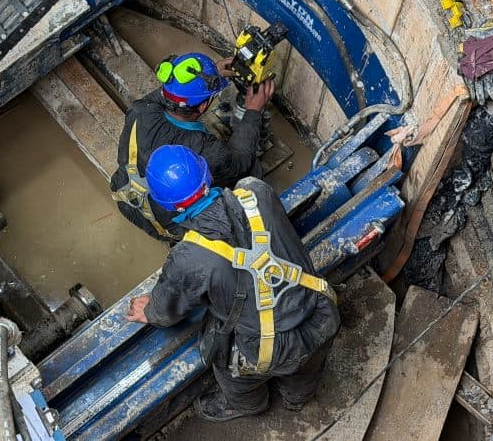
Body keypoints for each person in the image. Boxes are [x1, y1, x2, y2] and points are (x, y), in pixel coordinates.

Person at [125, 145, 339, 422]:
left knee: (231, 372)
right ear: (207, 176)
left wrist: (151, 310)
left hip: (274, 348)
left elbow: (166, 312)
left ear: (167, 205)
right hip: (322, 312)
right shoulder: (254, 191)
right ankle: (297, 399)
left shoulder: (188, 257)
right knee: (310, 364)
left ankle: (249, 406)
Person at [110, 52, 274, 242]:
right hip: (167, 228)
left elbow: (162, 95)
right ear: (203, 106)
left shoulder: (141, 111)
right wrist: (253, 112)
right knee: (250, 169)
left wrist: (212, 75)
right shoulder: (206, 149)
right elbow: (239, 162)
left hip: (125, 197)